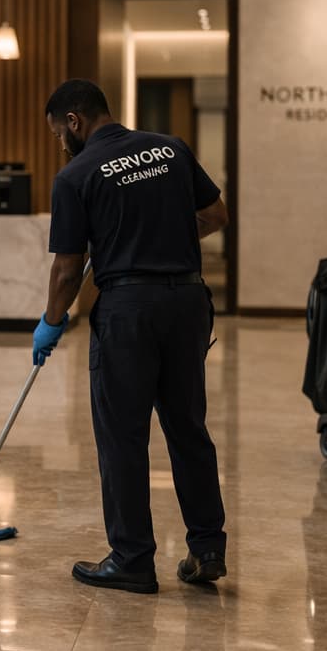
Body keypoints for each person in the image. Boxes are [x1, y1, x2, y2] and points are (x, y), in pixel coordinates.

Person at [33, 79, 230, 594]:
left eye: (59, 132)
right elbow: (215, 215)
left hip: (129, 310)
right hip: (188, 303)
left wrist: (52, 322)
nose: (61, 142)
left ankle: (132, 559)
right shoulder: (171, 148)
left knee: (122, 435)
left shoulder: (75, 175)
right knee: (188, 427)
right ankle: (207, 547)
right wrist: (164, 237)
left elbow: (68, 269)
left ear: (74, 121)